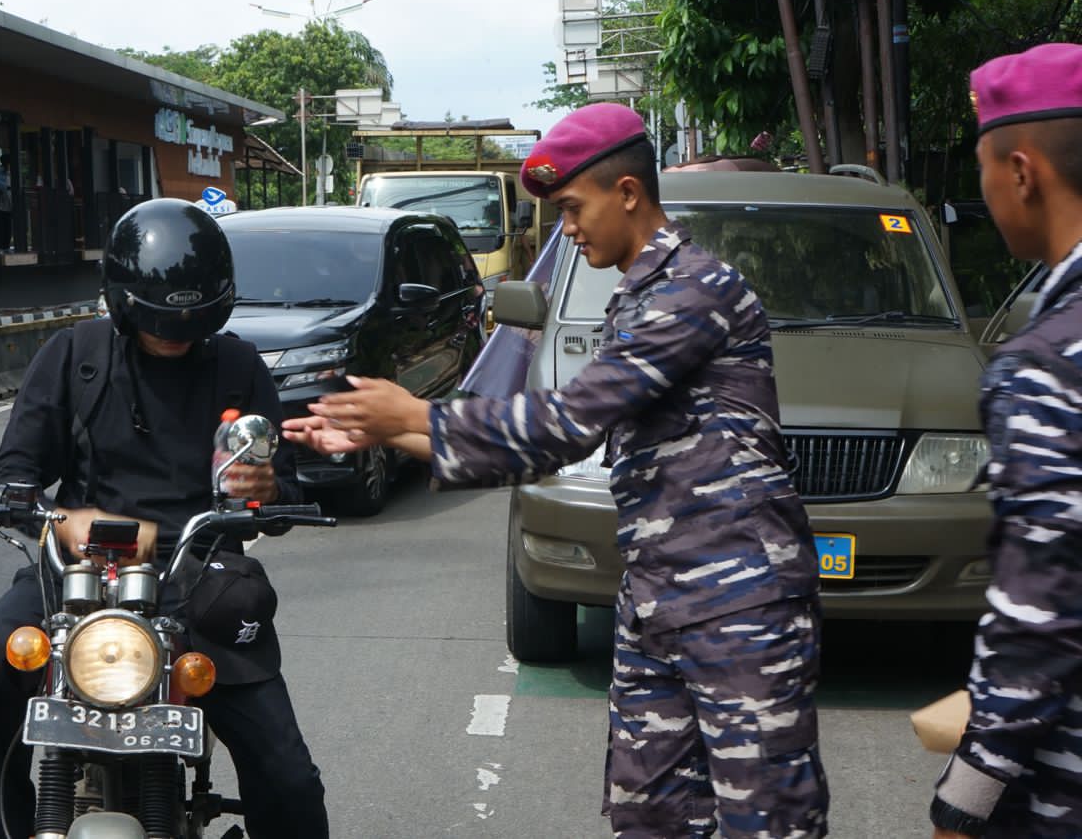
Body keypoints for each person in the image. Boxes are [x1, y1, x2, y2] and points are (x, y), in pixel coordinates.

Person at [284, 103, 828, 838]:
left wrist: (411, 419)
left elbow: (569, 423)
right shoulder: (639, 295)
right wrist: (383, 433)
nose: (566, 228)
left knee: (765, 824)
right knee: (651, 816)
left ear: (628, 193)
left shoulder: (692, 291)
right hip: (657, 599)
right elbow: (560, 433)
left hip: (737, 601)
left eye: (574, 207)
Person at [0, 198, 330, 839]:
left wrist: (268, 486)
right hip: (77, 576)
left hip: (200, 573)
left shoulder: (238, 366)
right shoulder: (74, 356)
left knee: (288, 774)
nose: (175, 336)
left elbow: (283, 482)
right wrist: (45, 509)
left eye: (190, 324)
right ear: (123, 303)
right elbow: (15, 467)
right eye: (162, 324)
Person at [929, 42, 1082, 839]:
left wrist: (964, 801)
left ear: (1022, 171)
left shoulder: (1048, 361)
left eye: (985, 167)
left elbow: (1041, 617)